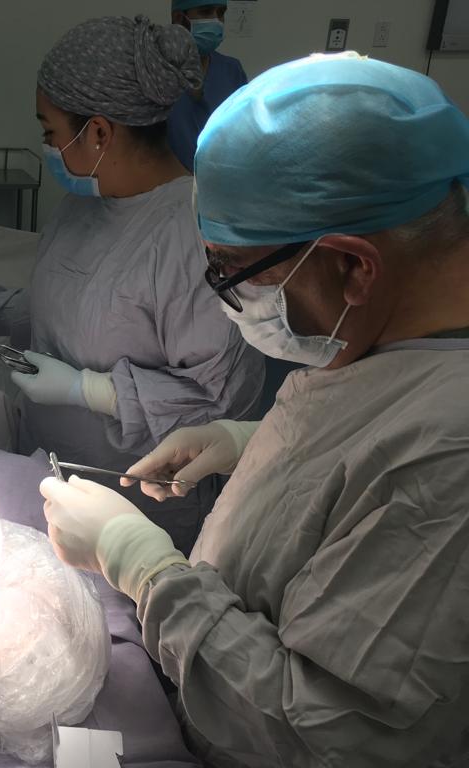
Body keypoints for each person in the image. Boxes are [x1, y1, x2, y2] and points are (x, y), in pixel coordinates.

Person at [39, 52, 469, 767]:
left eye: (234, 272)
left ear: (353, 266)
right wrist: (252, 440)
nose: (227, 299)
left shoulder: (448, 463)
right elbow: (372, 437)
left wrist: (143, 567)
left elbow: (325, 733)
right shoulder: (388, 341)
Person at [0, 16, 264, 552]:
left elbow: (217, 399)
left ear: (99, 132)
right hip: (51, 464)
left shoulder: (192, 237)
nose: (47, 146)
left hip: (138, 503)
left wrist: (90, 391)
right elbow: (80, 307)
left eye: (50, 133)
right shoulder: (85, 203)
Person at [167, 0, 246, 172]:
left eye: (221, 13)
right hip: (168, 184)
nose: (216, 21)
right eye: (206, 12)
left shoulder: (231, 70)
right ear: (179, 18)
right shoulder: (157, 72)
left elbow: (242, 134)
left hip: (220, 179)